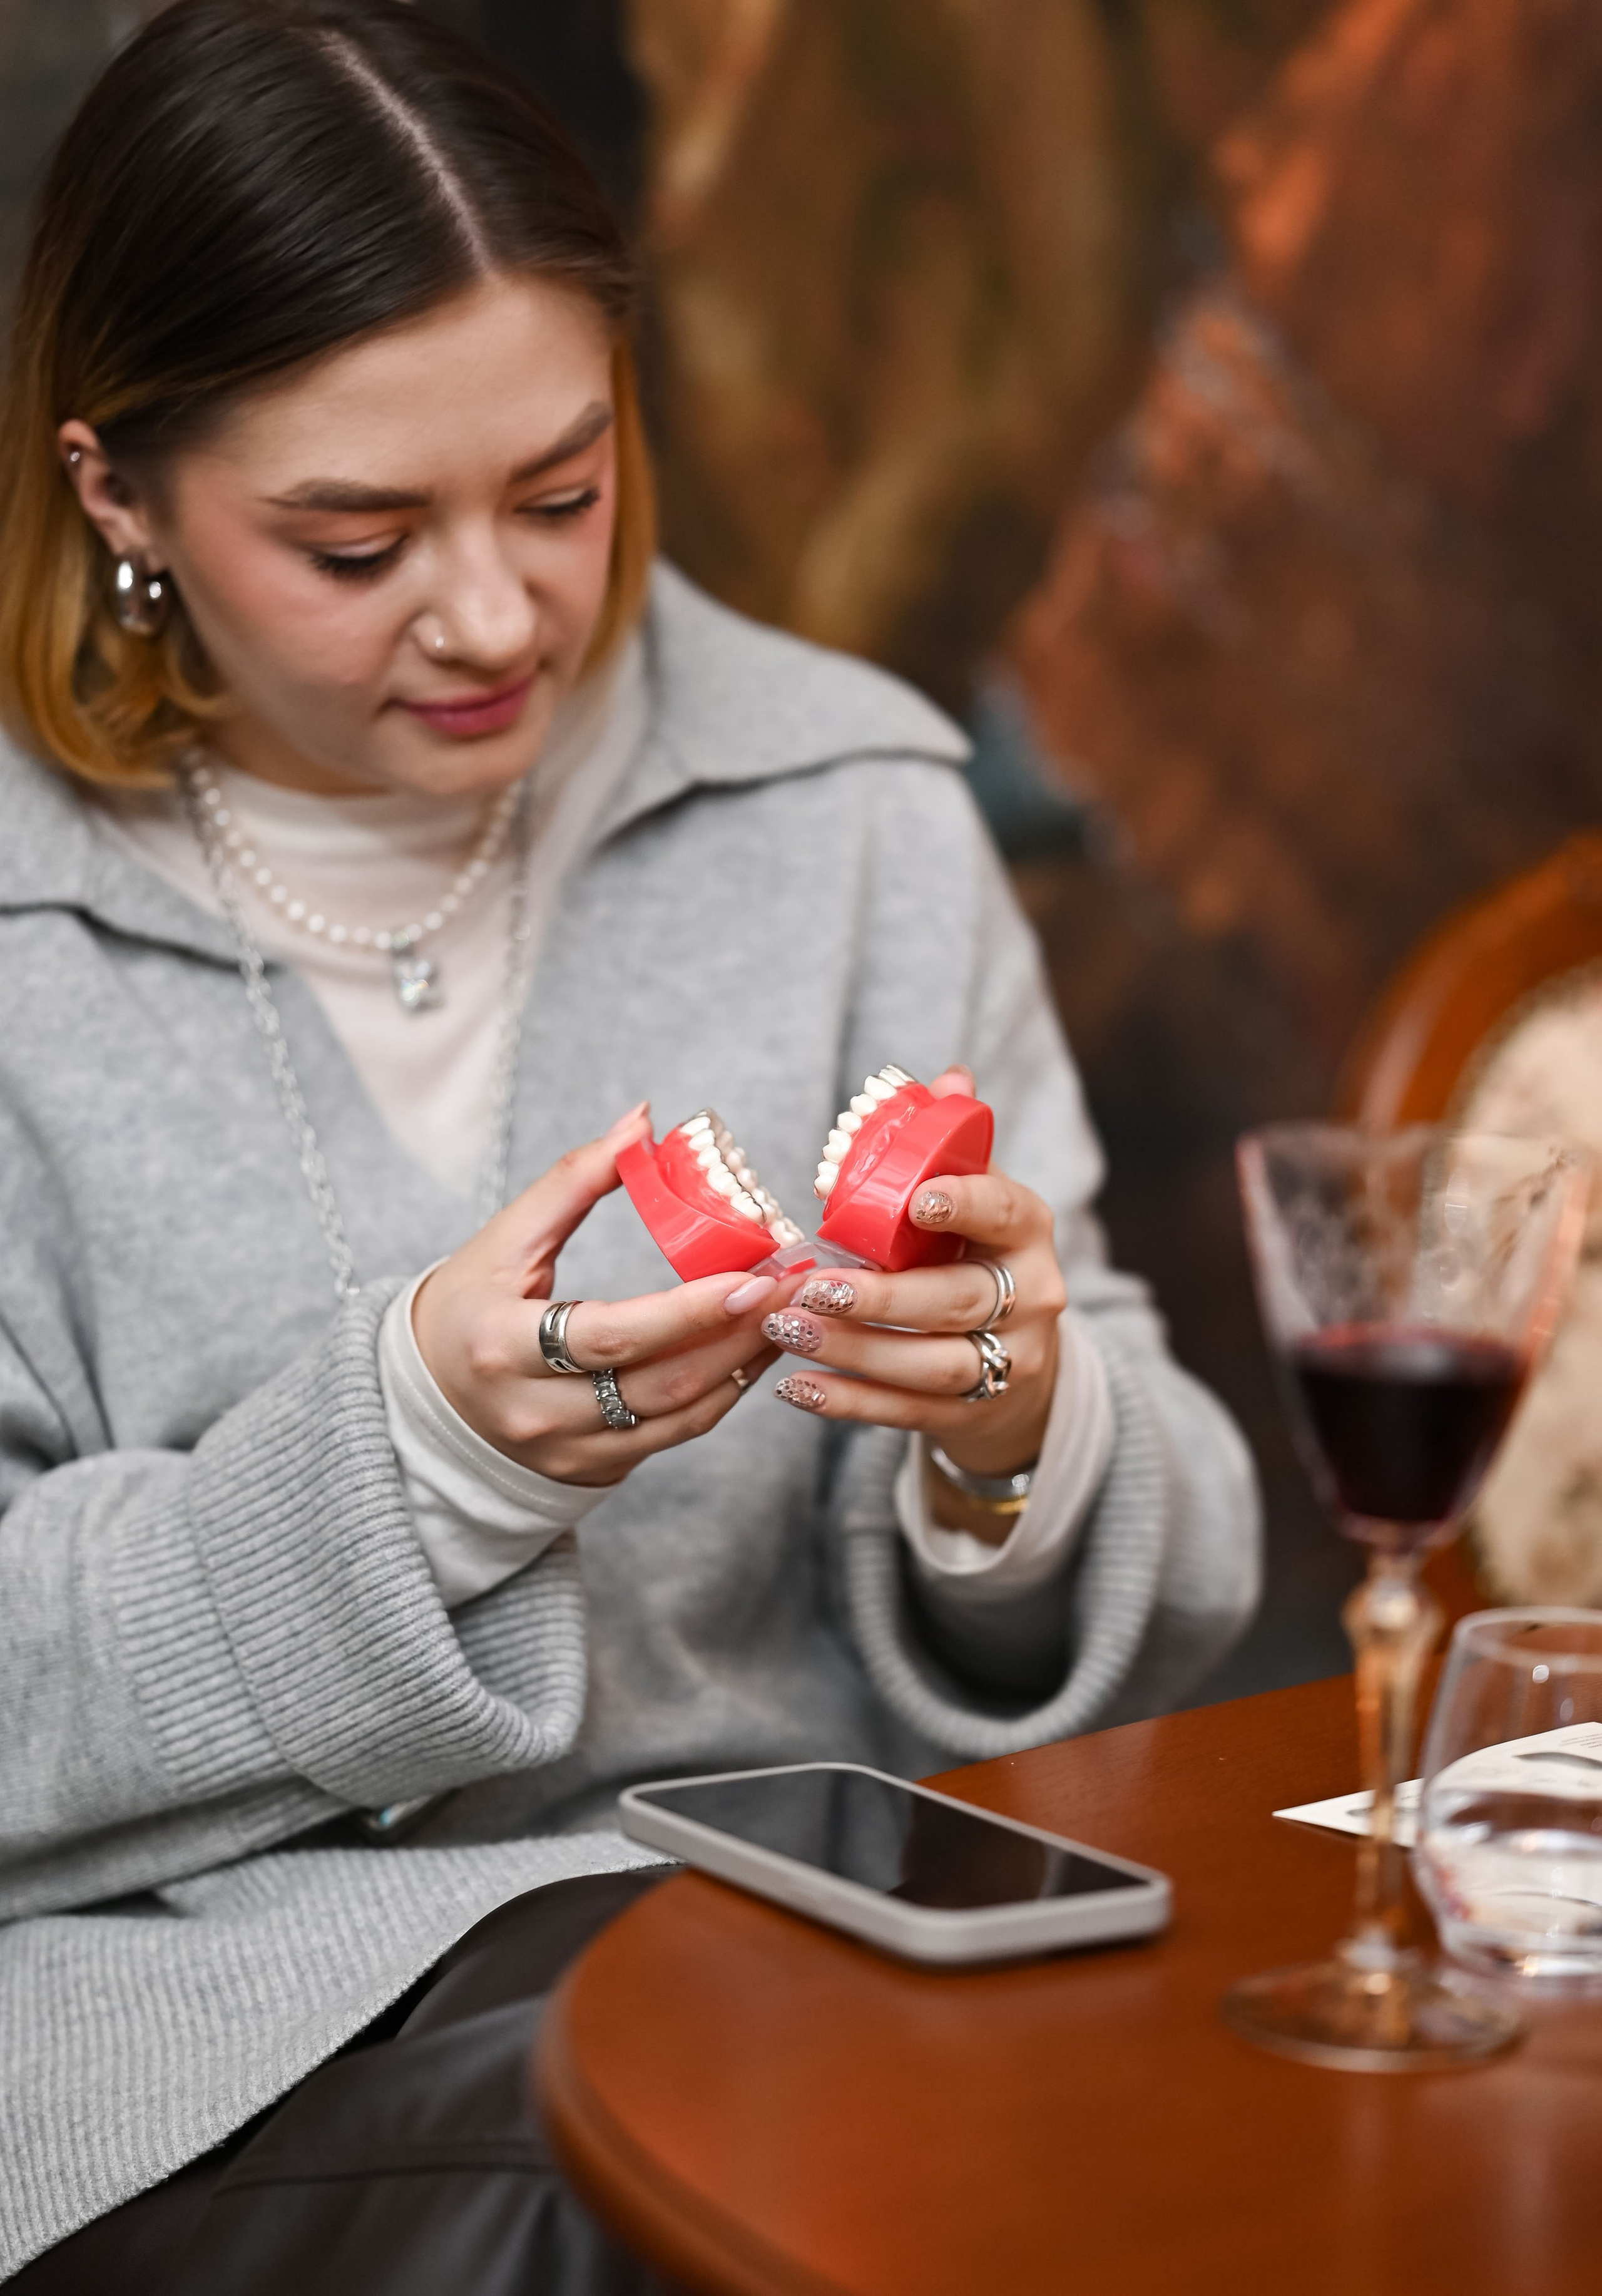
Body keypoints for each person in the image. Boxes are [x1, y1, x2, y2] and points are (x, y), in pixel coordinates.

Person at [0, 2, 1260, 2285]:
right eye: (356, 541)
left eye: (562, 492)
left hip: (820, 1946)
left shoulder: (848, 807)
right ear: (121, 496)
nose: (499, 616)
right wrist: (410, 1456)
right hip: (202, 2043)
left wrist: (1017, 1437)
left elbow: (1162, 1504)